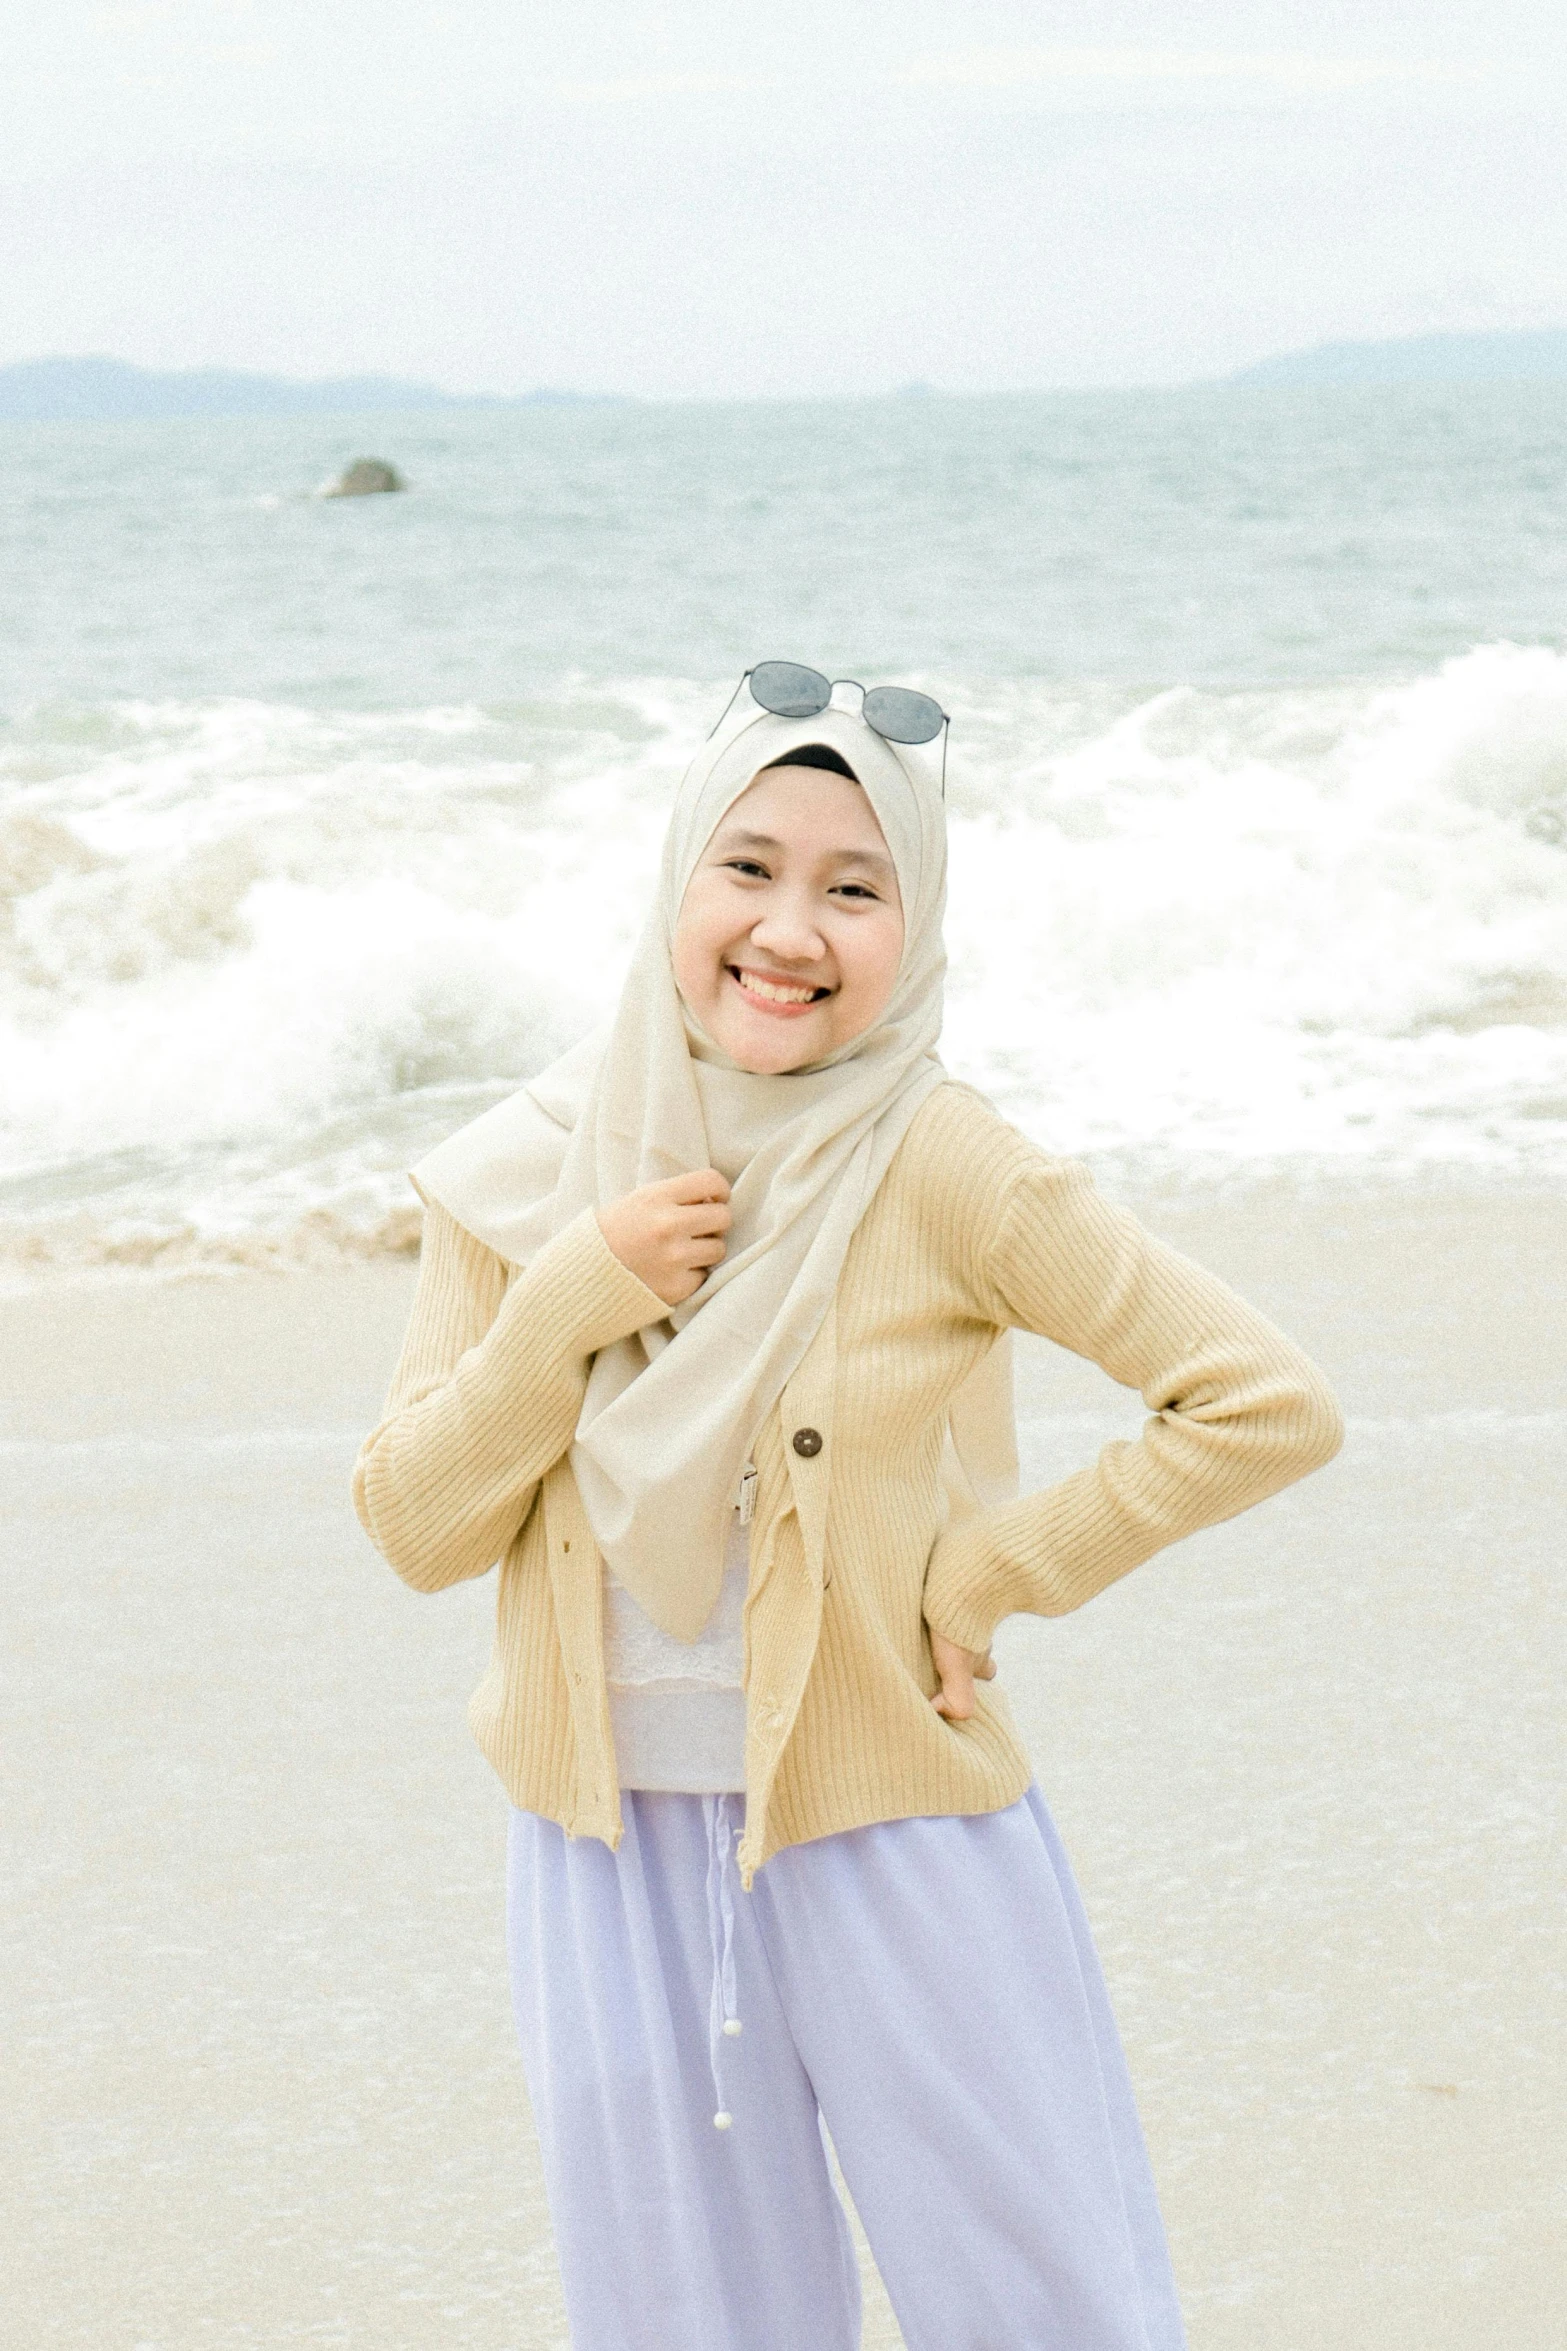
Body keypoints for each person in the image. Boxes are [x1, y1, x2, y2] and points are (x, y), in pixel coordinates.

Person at [352, 663, 1343, 2351]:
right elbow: (413, 1522)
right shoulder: (526, 1172)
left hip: (890, 1831)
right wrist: (562, 1303)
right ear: (677, 880)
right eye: (746, 867)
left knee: (1044, 2303)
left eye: (854, 885)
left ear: (917, 921)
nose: (788, 928)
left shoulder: (938, 1158)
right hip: (603, 1852)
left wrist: (997, 1568)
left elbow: (1261, 1401)